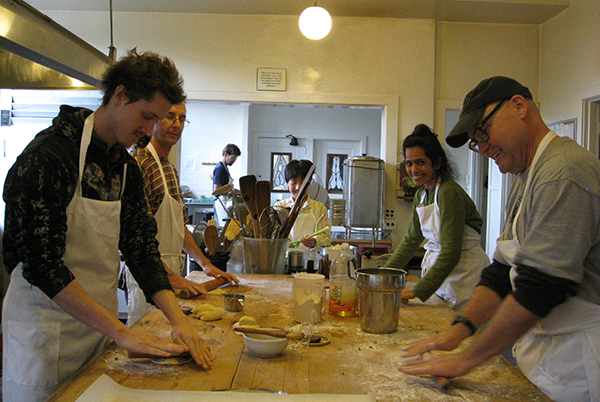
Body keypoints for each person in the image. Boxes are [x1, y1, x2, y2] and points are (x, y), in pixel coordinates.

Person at [2, 49, 212, 402]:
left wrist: (180, 323)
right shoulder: (49, 157)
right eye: (146, 117)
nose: (149, 131)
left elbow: (141, 249)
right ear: (119, 95)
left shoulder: (124, 168)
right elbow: (42, 264)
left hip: (98, 331)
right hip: (45, 334)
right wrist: (121, 332)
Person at [399, 76, 600, 402]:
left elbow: (542, 287)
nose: (482, 148)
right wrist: (460, 330)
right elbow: (502, 272)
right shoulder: (526, 177)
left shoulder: (564, 171)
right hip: (547, 349)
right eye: (476, 142)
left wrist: (465, 359)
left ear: (518, 106)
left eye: (482, 132)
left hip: (580, 357)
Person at [126, 102, 238, 325]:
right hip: (147, 273)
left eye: (181, 119)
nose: (176, 124)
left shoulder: (168, 168)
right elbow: (136, 239)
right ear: (154, 119)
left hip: (171, 270)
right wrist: (170, 277)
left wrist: (205, 264)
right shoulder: (139, 163)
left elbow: (180, 226)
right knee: (149, 333)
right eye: (169, 116)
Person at [384, 124, 489, 311]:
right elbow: (410, 240)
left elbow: (451, 252)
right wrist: (382, 274)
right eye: (409, 163)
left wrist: (419, 290)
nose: (413, 169)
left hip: (465, 276)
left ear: (437, 163)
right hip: (442, 275)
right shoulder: (422, 194)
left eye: (420, 162)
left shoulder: (449, 193)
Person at [274, 159, 331, 250]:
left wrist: (315, 242)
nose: (298, 187)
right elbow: (272, 237)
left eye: (302, 183)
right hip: (284, 260)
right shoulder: (279, 207)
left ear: (308, 184)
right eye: (294, 183)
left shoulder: (319, 208)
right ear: (287, 184)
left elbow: (326, 238)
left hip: (310, 260)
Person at [212, 143, 241, 224]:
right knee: (225, 227)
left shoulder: (224, 168)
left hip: (225, 201)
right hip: (221, 202)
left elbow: (225, 186)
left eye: (235, 158)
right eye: (233, 157)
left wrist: (237, 191)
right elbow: (217, 190)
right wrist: (233, 192)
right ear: (226, 155)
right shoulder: (220, 169)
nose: (234, 160)